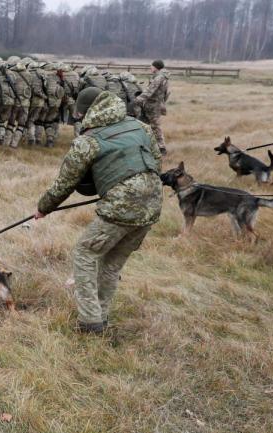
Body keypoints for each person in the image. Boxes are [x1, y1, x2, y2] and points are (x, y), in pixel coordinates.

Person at [33, 87, 162, 334]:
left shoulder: (88, 141)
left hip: (120, 209)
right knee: (112, 263)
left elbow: (65, 183)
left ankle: (90, 321)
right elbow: (155, 162)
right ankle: (101, 317)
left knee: (85, 254)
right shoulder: (140, 127)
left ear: (87, 112)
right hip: (153, 205)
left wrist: (43, 208)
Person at [135, 59, 170, 154]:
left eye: (152, 66)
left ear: (156, 67)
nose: (150, 67)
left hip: (153, 106)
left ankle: (161, 148)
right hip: (152, 105)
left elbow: (150, 91)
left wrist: (138, 100)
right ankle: (144, 144)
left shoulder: (159, 78)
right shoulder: (163, 77)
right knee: (142, 125)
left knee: (155, 127)